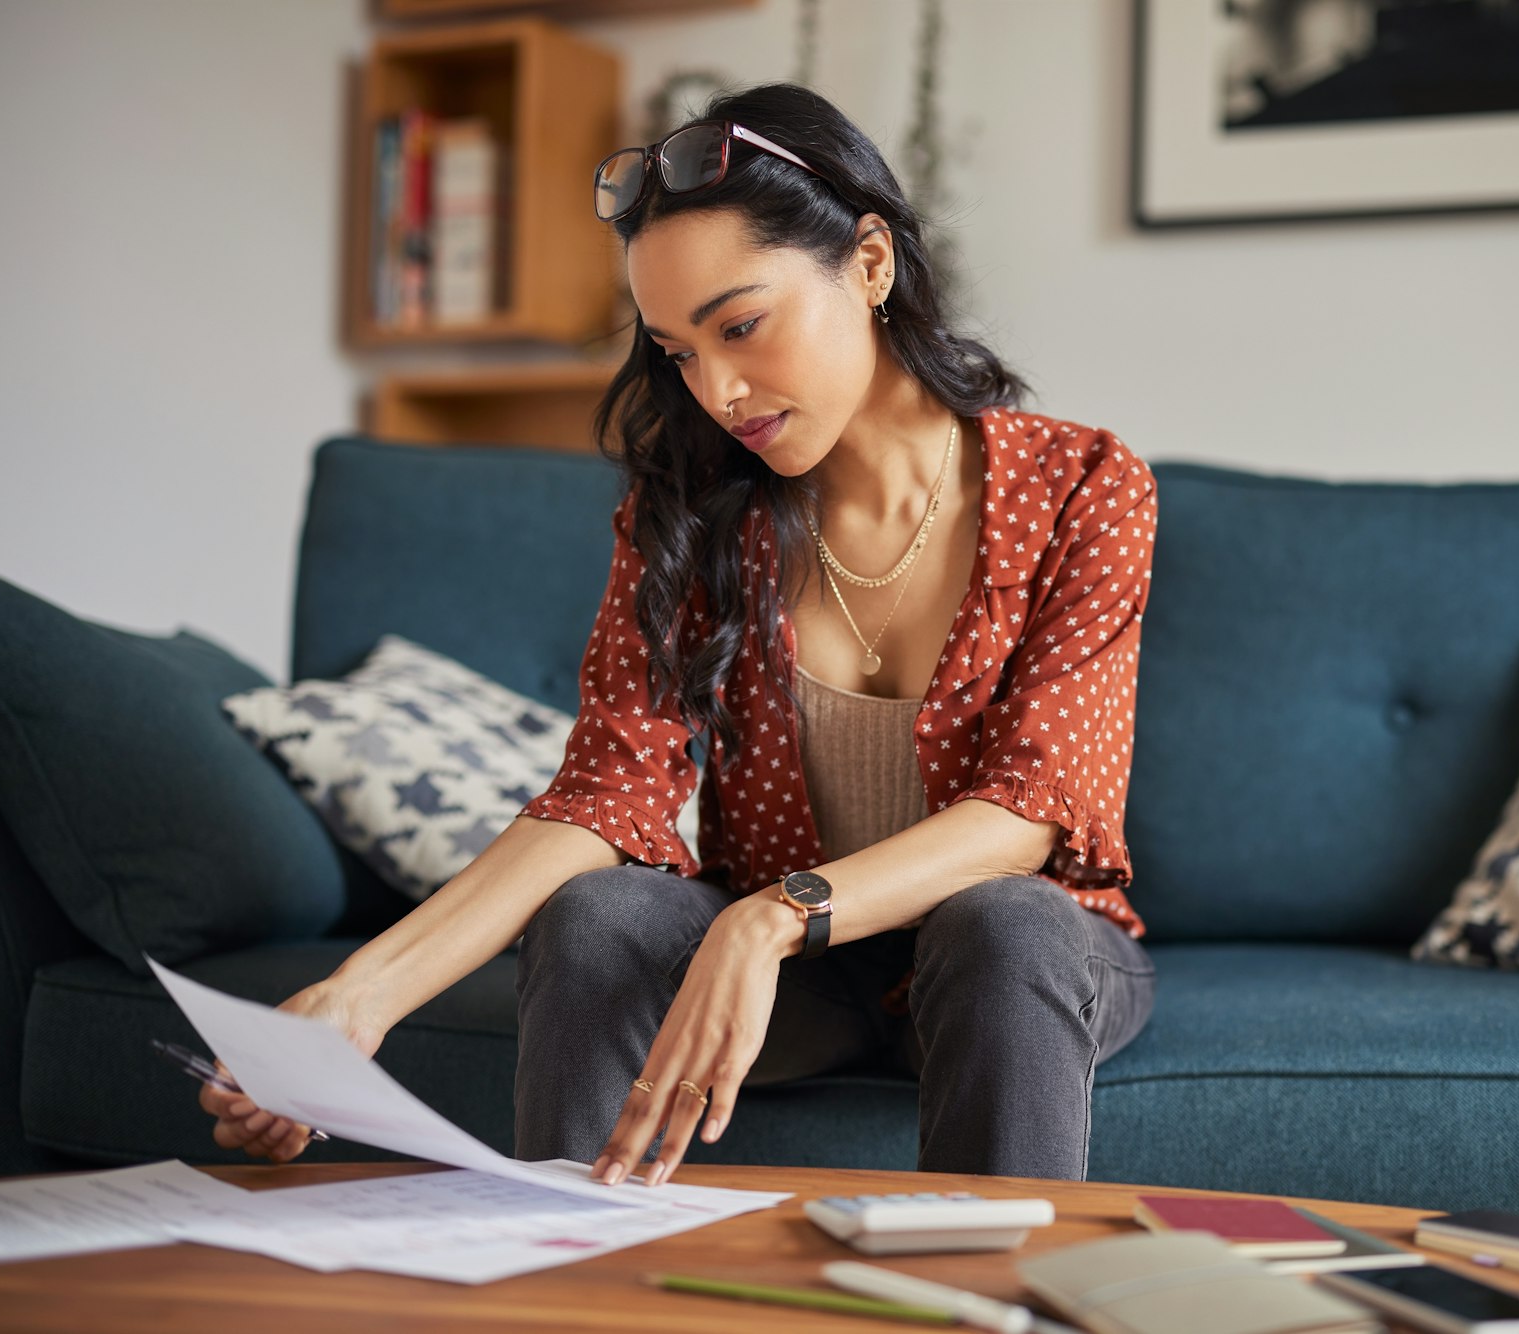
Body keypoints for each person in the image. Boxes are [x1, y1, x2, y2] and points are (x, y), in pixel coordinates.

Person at [201, 81, 1160, 1187]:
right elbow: (604, 792)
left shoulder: (1085, 482)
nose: (719, 390)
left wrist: (771, 916)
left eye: (741, 325)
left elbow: (1029, 813)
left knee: (1006, 926)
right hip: (805, 983)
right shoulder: (689, 507)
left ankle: (999, 1305)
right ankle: (566, 1273)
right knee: (600, 913)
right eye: (677, 352)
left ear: (868, 263)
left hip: (1007, 957)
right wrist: (355, 997)